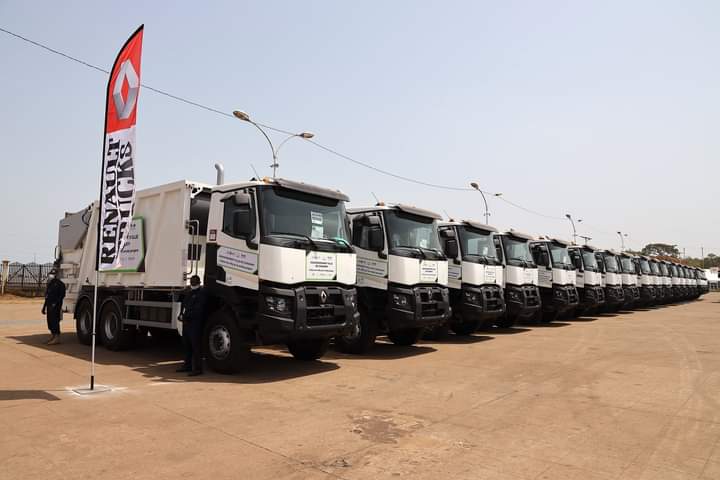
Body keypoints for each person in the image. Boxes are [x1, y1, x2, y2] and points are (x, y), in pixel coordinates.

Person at [177, 275, 207, 376]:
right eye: (191, 282)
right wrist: (181, 315)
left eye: (194, 282)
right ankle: (187, 365)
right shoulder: (189, 293)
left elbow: (198, 310)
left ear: (199, 282)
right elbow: (184, 305)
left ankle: (198, 369)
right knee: (187, 345)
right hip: (186, 323)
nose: (192, 283)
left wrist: (186, 316)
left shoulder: (201, 294)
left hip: (195, 323)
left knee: (196, 346)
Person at [42, 269, 66, 345]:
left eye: (53, 274)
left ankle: (57, 338)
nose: (51, 275)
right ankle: (53, 336)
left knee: (55, 322)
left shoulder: (61, 284)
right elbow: (47, 296)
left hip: (56, 307)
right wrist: (44, 307)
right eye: (50, 274)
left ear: (56, 275)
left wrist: (55, 304)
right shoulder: (50, 284)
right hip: (49, 306)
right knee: (50, 322)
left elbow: (61, 296)